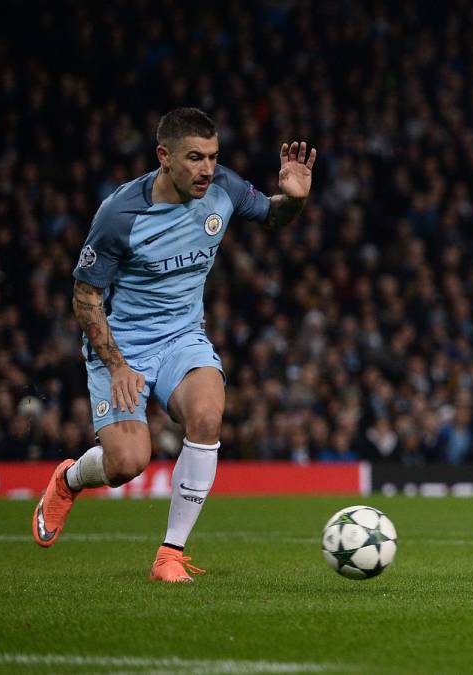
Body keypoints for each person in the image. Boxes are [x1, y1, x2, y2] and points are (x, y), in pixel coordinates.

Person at [32, 108, 316, 581]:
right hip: (121, 345)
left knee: (207, 416)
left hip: (183, 337)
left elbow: (273, 215)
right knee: (127, 463)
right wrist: (117, 365)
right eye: (194, 158)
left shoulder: (224, 188)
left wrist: (296, 200)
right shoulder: (120, 214)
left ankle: (170, 554)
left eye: (213, 156)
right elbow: (85, 297)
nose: (207, 169)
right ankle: (69, 478)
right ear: (164, 156)